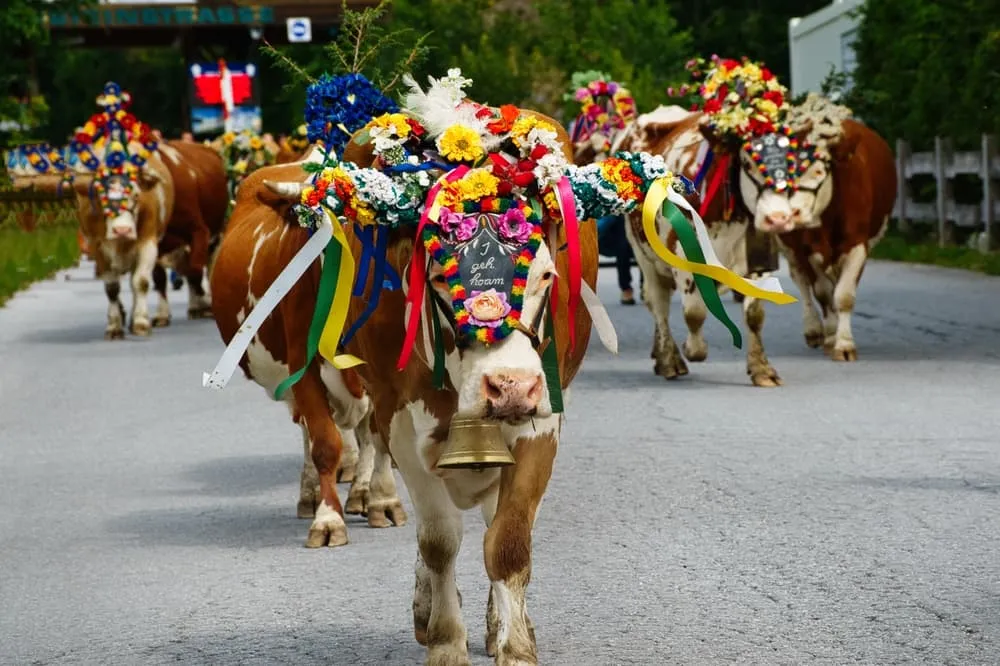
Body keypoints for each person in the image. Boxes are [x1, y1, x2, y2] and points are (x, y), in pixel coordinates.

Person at [597, 214, 641, 305]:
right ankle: (626, 288)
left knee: (643, 248)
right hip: (618, 220)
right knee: (622, 247)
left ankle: (646, 285)